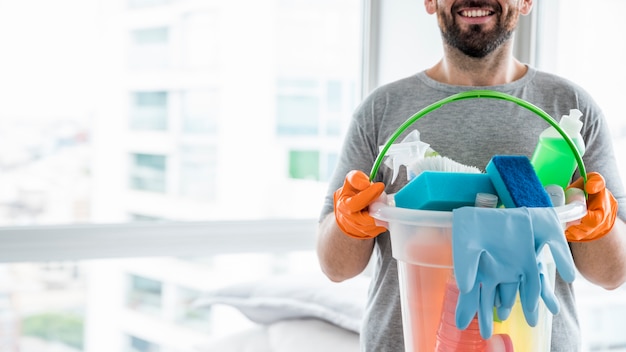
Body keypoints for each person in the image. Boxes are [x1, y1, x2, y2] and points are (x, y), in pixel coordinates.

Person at [316, 0, 626, 351]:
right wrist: (348, 223)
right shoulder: (381, 110)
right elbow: (335, 267)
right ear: (430, 2)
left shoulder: (570, 108)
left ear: (526, 2)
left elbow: (613, 274)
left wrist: (598, 226)